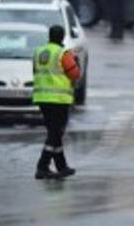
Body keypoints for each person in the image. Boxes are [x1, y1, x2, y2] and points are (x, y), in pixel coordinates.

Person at [32, 24, 82, 179]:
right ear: (62, 37)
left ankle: (61, 166)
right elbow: (74, 74)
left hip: (42, 98)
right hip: (59, 100)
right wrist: (75, 63)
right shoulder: (63, 53)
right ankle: (42, 166)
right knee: (56, 133)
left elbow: (35, 71)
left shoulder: (39, 52)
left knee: (54, 133)